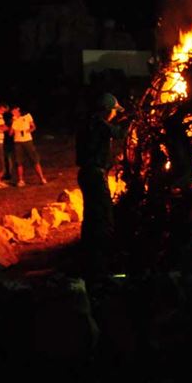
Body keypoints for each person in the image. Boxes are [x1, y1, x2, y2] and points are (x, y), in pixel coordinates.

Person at [75, 93, 128, 280]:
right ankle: (102, 266)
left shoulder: (89, 122)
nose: (115, 115)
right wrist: (130, 120)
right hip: (95, 174)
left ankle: (89, 259)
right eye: (114, 111)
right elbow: (119, 133)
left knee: (91, 216)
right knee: (104, 218)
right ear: (107, 110)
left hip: (86, 174)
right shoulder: (99, 124)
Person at [10, 105, 47, 186]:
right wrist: (13, 122)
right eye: (12, 112)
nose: (12, 113)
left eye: (13, 111)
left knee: (34, 159)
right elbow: (10, 133)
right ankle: (21, 180)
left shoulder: (27, 116)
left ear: (18, 109)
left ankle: (42, 178)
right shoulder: (13, 119)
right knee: (19, 161)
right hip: (17, 141)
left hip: (27, 140)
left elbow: (33, 127)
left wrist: (29, 130)